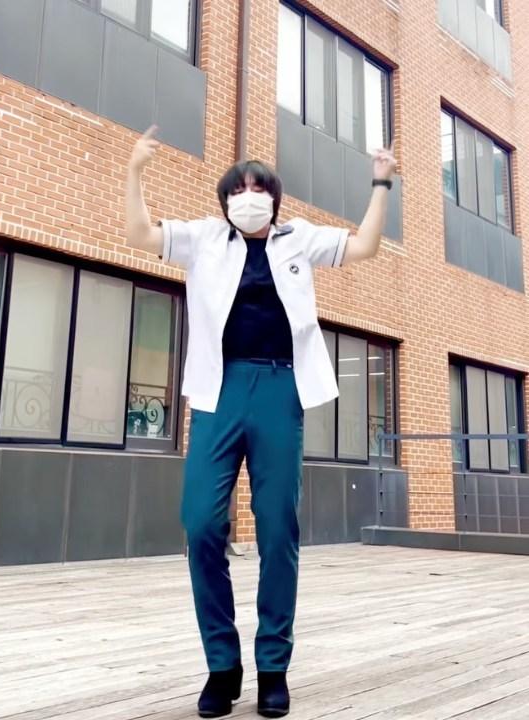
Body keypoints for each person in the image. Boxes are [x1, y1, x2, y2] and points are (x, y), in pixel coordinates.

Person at [125, 126, 396, 718]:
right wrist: (136, 170)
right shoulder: (203, 238)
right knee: (201, 523)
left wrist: (381, 184)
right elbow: (140, 234)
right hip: (218, 392)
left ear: (274, 199)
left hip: (279, 389)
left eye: (258, 189)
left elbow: (365, 247)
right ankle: (221, 666)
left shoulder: (299, 239)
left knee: (277, 529)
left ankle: (274, 666)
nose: (248, 197)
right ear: (224, 201)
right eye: (237, 190)